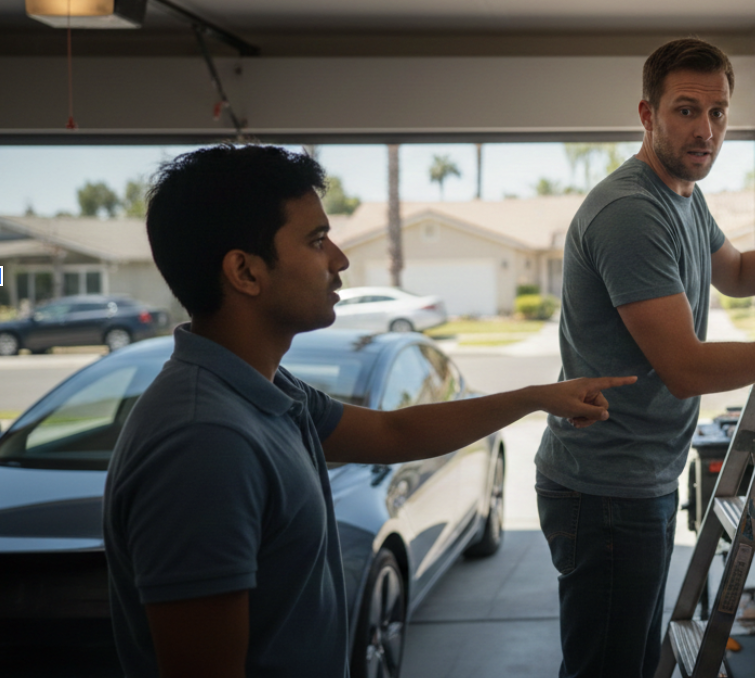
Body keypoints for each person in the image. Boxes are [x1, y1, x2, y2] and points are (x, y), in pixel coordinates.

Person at [102, 145, 635, 678]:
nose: (339, 258)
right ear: (244, 271)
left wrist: (536, 398)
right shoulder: (205, 443)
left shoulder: (261, 390)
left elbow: (391, 431)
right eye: (316, 240)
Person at [535, 37, 755, 678]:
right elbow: (685, 368)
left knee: (628, 660)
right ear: (647, 114)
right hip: (604, 486)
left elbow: (738, 271)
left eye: (717, 113)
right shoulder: (632, 212)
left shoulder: (683, 195)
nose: (706, 130)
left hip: (640, 477)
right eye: (686, 110)